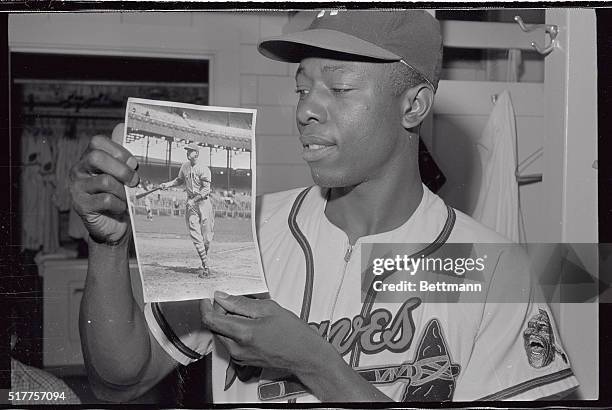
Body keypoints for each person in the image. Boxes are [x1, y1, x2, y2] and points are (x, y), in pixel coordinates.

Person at [70, 10, 578, 404]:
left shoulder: (492, 268)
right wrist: (108, 244)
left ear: (414, 105)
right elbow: (122, 379)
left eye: (338, 88)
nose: (305, 109)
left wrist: (315, 363)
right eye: (301, 88)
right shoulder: (237, 225)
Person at [158, 142, 215, 278]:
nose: (187, 152)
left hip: (203, 203)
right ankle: (206, 266)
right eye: (187, 150)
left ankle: (203, 261)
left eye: (190, 151)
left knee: (207, 238)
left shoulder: (204, 169)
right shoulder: (184, 166)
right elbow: (179, 180)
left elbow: (206, 190)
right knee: (196, 235)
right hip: (191, 205)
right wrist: (167, 184)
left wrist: (194, 200)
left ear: (196, 153)